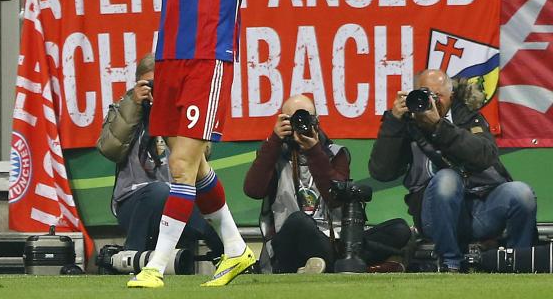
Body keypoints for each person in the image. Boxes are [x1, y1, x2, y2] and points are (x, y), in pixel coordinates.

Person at [13, 0, 375, 288]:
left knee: (182, 165)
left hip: (209, 62)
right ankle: (237, 250)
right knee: (196, 167)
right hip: (168, 63)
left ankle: (155, 266)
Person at [369, 69, 537, 272]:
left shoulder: (468, 118)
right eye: (425, 94)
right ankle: (450, 264)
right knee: (447, 179)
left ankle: (520, 263)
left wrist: (439, 127)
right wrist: (393, 123)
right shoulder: (406, 125)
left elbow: (485, 156)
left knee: (521, 193)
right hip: (434, 216)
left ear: (451, 96)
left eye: (437, 95)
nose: (431, 101)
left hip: (479, 211)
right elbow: (381, 172)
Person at [244, 94, 411, 274]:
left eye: (306, 117)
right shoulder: (273, 155)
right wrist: (275, 140)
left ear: (316, 120)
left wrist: (314, 152)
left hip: (333, 242)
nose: (301, 123)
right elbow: (253, 190)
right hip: (291, 242)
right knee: (299, 221)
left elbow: (335, 199)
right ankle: (350, 265)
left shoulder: (336, 154)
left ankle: (319, 266)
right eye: (293, 120)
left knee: (399, 229)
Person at [97, 53, 223, 257]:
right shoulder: (124, 107)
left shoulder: (184, 109)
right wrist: (133, 106)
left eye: (161, 85)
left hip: (179, 197)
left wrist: (171, 110)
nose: (155, 90)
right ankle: (132, 256)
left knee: (203, 209)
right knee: (159, 192)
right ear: (138, 84)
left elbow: (204, 152)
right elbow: (110, 149)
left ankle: (226, 253)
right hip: (133, 201)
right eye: (149, 85)